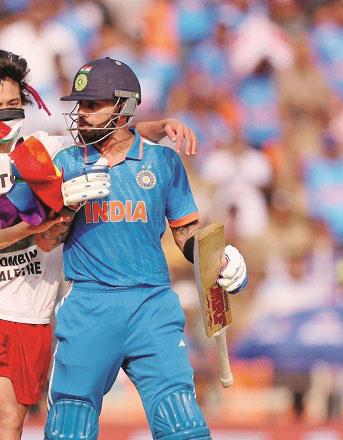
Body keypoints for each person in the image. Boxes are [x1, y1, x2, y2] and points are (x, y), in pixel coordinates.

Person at [0, 48, 198, 440]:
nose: (5, 113)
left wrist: (163, 126)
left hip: (34, 311)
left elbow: (112, 136)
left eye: (11, 104)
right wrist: (41, 220)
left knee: (19, 421)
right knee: (8, 416)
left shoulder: (47, 150)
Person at [37, 57, 248, 440]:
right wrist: (66, 208)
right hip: (89, 304)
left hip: (152, 304)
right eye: (80, 105)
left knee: (182, 426)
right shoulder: (66, 162)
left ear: (123, 109)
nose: (81, 114)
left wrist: (221, 260)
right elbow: (46, 241)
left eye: (92, 105)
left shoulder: (163, 161)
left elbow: (186, 235)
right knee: (70, 425)